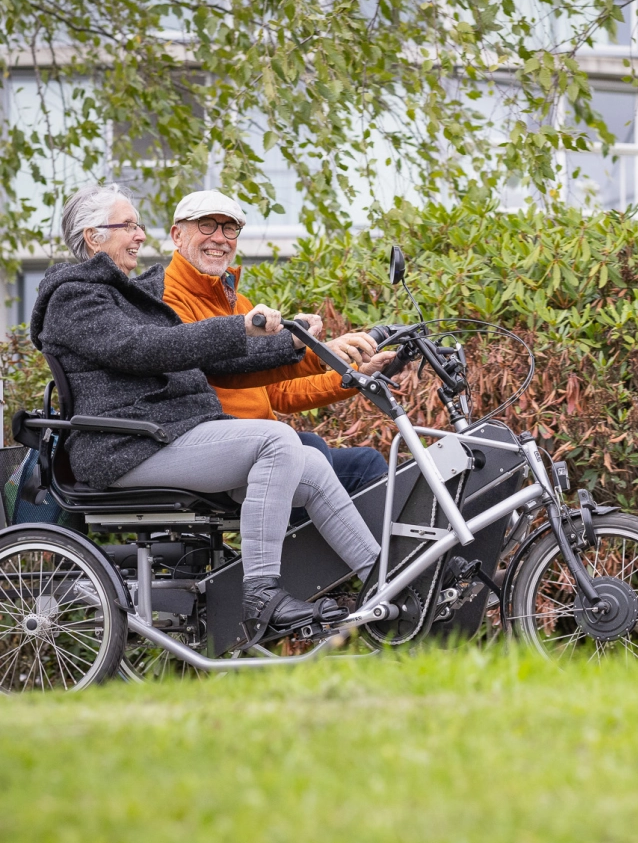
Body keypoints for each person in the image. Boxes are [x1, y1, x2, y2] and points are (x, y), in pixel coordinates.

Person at [31, 183, 380, 645]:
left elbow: (217, 364)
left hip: (160, 437)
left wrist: (295, 343)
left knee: (310, 460)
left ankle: (385, 585)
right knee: (276, 441)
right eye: (130, 225)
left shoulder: (123, 295)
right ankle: (262, 597)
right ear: (94, 236)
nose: (139, 234)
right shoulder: (75, 298)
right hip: (126, 447)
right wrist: (242, 326)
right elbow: (146, 349)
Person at [161, 190, 389, 494]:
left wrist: (354, 373)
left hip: (266, 445)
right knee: (314, 449)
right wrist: (313, 351)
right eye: (207, 225)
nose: (220, 238)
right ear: (177, 235)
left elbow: (277, 392)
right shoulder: (166, 299)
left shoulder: (237, 302)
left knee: (365, 461)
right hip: (223, 455)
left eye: (229, 228)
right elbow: (219, 369)